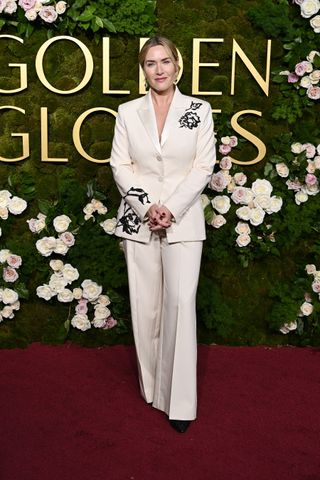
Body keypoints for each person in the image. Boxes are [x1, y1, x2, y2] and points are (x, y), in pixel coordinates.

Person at [110, 36, 216, 433]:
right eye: (152, 63)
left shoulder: (198, 110)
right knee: (146, 306)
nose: (160, 69)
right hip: (140, 222)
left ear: (177, 66)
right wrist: (147, 207)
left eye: (166, 61)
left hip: (183, 222)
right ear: (143, 70)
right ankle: (152, 388)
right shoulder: (127, 111)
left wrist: (169, 208)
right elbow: (120, 164)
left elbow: (203, 167)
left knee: (179, 303)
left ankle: (180, 403)